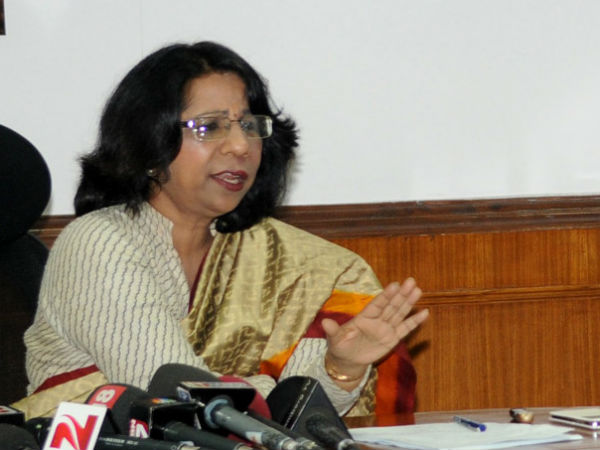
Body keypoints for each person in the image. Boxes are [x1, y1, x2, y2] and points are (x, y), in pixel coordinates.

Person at [21, 41, 429, 419]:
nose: (240, 145)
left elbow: (298, 416)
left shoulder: (291, 262)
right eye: (210, 127)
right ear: (149, 144)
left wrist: (340, 367)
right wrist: (282, 385)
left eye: (249, 125)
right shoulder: (98, 243)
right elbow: (176, 395)